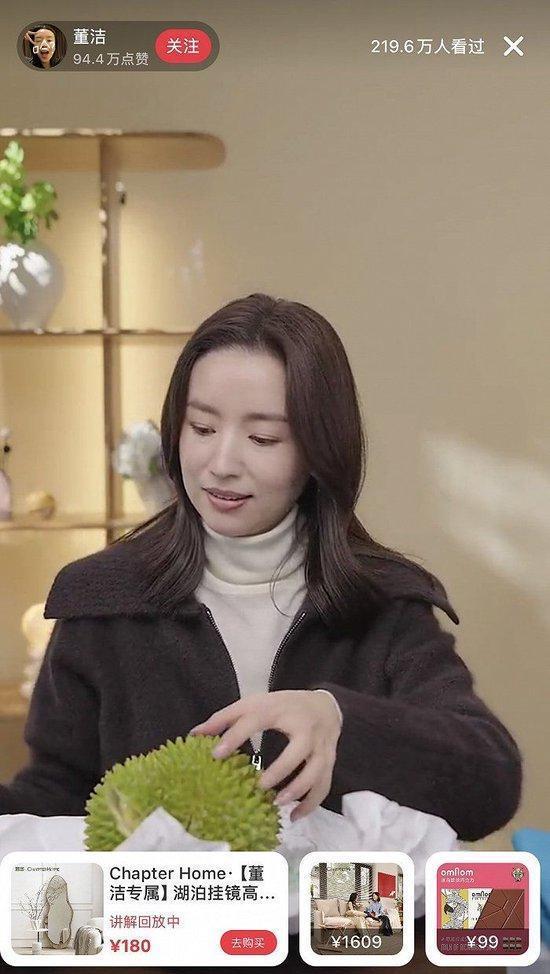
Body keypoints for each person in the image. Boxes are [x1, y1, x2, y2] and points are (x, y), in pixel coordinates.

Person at [0, 292, 522, 843]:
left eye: (263, 438)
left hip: (338, 904)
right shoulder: (102, 599)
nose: (221, 464)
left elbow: (489, 784)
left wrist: (339, 718)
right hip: (162, 904)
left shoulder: (383, 604)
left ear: (319, 449)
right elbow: (56, 804)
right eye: (202, 428)